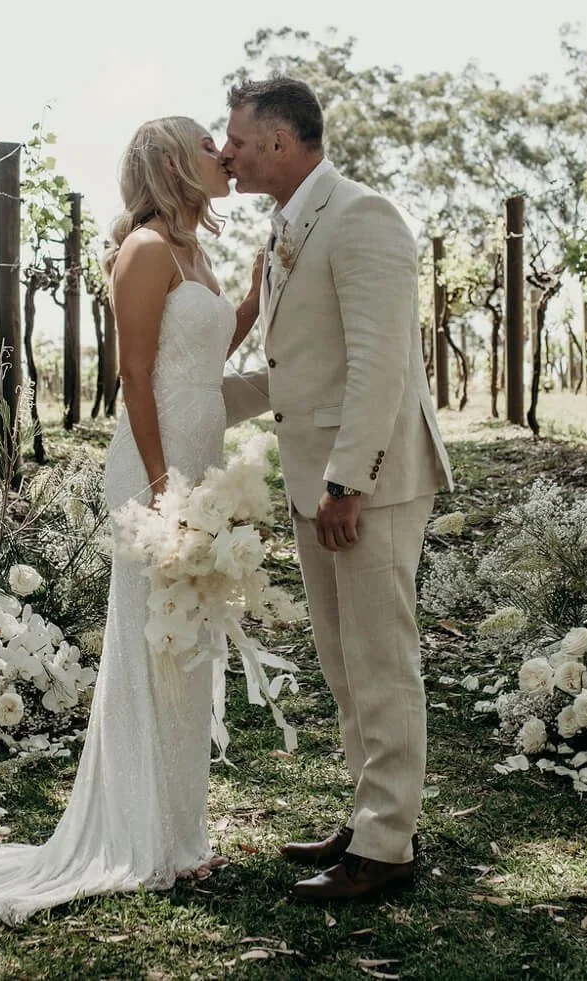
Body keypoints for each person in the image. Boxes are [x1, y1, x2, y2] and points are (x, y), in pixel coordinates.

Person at [0, 115, 259, 926]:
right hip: (156, 465)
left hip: (199, 459)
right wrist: (161, 482)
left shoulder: (194, 253)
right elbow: (134, 378)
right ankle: (142, 836)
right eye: (209, 145)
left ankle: (180, 834)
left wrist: (255, 299)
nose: (224, 155)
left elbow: (206, 357)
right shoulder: (143, 251)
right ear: (173, 162)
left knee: (188, 642)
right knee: (151, 643)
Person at [220, 76, 453, 903]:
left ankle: (387, 847)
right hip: (318, 482)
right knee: (343, 658)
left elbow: (378, 364)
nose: (228, 154)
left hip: (368, 484)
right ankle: (371, 816)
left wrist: (349, 480)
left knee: (381, 658)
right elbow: (296, 370)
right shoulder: (287, 227)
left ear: (281, 142)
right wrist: (190, 401)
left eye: (238, 141)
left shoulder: (362, 217)